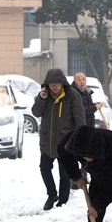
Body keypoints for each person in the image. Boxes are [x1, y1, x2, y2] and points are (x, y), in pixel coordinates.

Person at [31, 67, 85, 210]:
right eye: (51, 83)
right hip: (47, 141)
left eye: (57, 83)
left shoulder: (72, 95)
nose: (54, 86)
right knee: (44, 168)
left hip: (65, 143)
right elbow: (36, 112)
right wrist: (41, 99)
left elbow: (80, 118)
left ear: (63, 84)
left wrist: (79, 138)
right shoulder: (44, 95)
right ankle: (52, 194)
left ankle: (63, 202)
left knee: (65, 174)